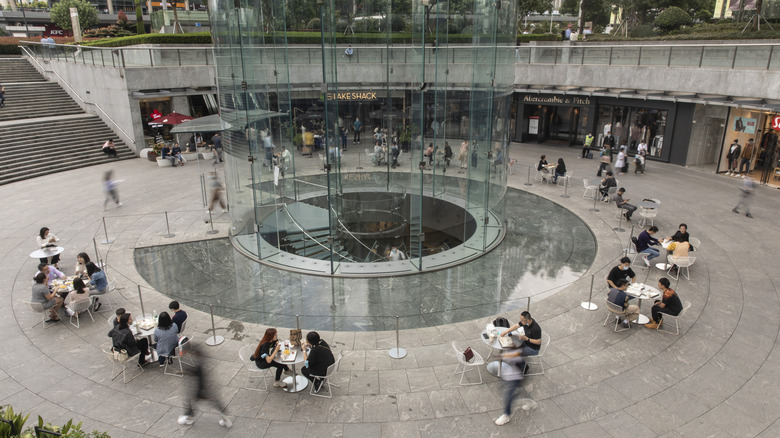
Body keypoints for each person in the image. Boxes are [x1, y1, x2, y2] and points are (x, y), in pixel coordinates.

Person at [177, 344, 232, 428]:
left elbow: (197, 374)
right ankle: (225, 419)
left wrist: (186, 372)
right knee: (214, 403)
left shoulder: (199, 364)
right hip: (205, 389)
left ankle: (187, 417)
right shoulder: (202, 361)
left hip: (201, 390)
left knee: (190, 401)